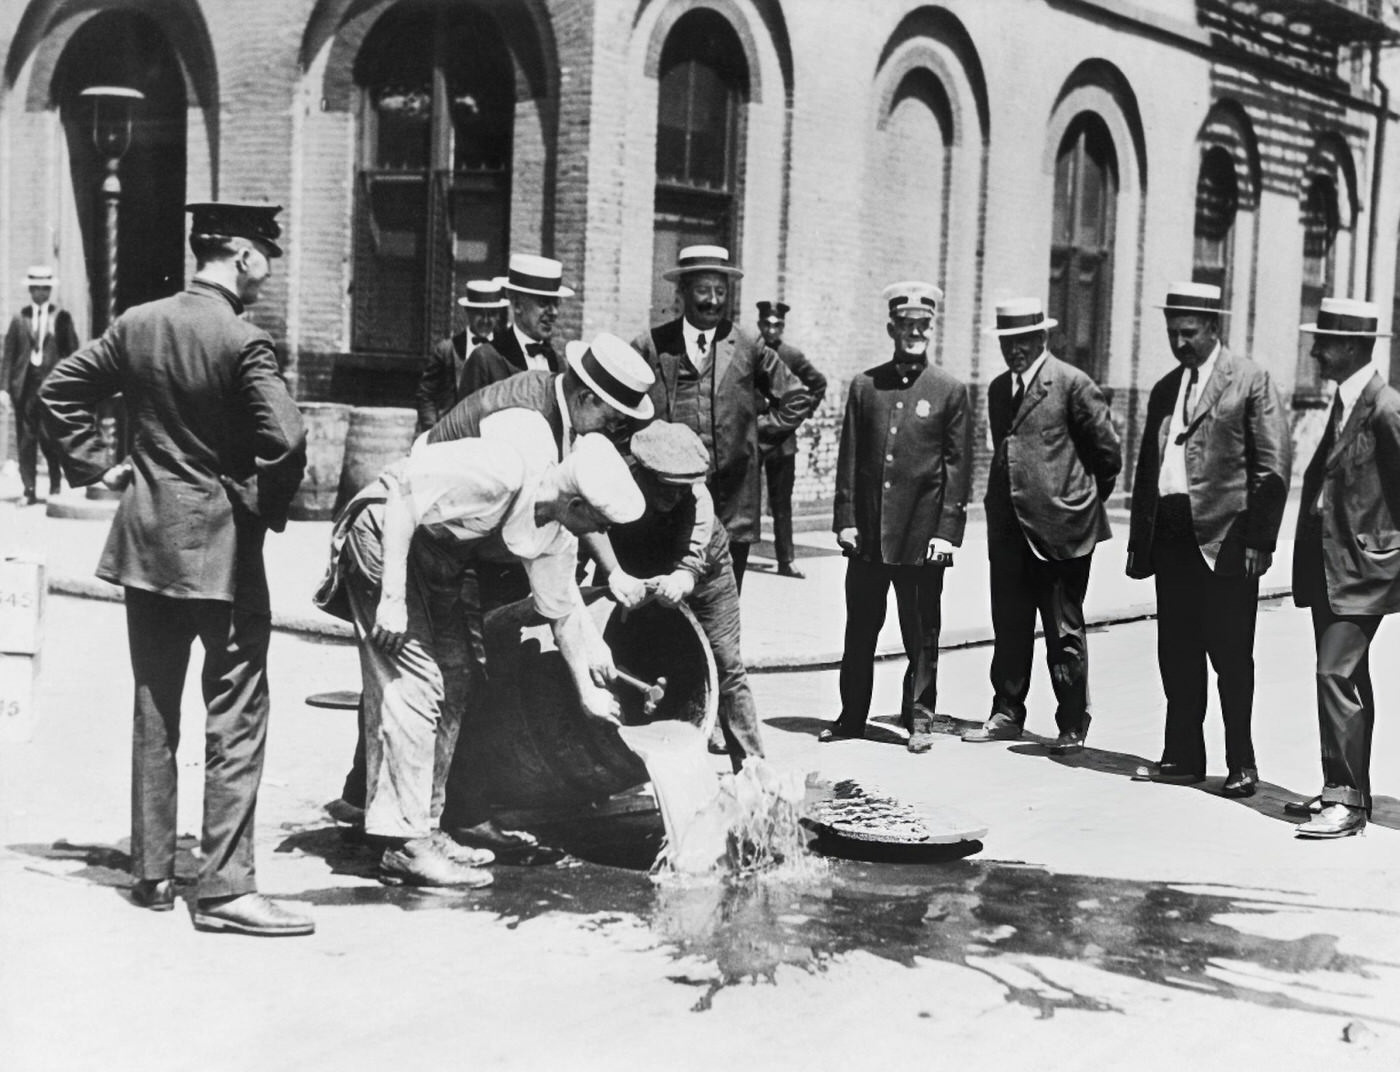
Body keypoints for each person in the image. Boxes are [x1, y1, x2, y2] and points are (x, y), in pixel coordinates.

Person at [39, 203, 312, 936]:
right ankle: (225, 890)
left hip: (146, 546)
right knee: (237, 713)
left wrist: (98, 466)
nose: (267, 273)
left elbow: (57, 391)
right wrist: (259, 507)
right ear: (243, 256)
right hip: (221, 555)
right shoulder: (243, 340)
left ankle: (153, 872)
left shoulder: (138, 323)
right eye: (265, 257)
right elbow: (287, 440)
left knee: (155, 707)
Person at [329, 333, 656, 858]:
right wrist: (391, 596)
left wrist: (589, 690)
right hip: (390, 531)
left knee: (458, 677)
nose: (598, 534)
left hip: (443, 549)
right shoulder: (514, 453)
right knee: (418, 685)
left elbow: (562, 610)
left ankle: (429, 826)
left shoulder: (556, 516)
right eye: (597, 522)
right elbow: (406, 492)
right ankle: (402, 843)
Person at [1126, 281, 1290, 796]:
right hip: (1172, 536)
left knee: (1231, 655)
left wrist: (1260, 540)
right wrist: (1140, 542)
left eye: (1190, 332)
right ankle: (1182, 756)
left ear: (1214, 327)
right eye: (1173, 332)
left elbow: (1272, 466)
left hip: (1226, 538)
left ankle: (1241, 761)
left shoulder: (1249, 380)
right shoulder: (1165, 389)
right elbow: (1147, 468)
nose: (1180, 342)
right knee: (1176, 652)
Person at [963, 298, 1121, 753]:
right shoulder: (999, 390)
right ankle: (1007, 713)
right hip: (1009, 531)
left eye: (1024, 341)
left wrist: (1074, 505)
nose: (1015, 350)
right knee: (1009, 625)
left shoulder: (1072, 384)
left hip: (1061, 533)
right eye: (1007, 342)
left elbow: (1108, 456)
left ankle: (1071, 723)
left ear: (1042, 339)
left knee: (1062, 632)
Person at [820, 281, 971, 753]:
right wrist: (846, 519)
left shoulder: (949, 390)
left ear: (932, 329)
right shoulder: (865, 386)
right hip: (867, 536)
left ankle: (919, 719)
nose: (915, 333)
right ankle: (851, 717)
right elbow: (849, 457)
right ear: (892, 329)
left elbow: (957, 468)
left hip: (920, 537)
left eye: (923, 325)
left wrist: (946, 532)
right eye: (906, 325)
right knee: (860, 631)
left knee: (921, 633)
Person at [632, 246, 813, 590]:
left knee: (723, 603)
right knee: (664, 602)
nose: (713, 301)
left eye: (720, 291)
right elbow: (619, 410)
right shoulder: (652, 345)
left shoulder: (747, 343)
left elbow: (797, 396)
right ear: (682, 291)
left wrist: (753, 438)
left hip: (730, 505)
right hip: (666, 504)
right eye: (703, 290)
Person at [1287, 298, 1400, 839]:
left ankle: (1347, 803)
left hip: (1363, 572)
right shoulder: (1344, 401)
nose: (1314, 352)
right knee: (1347, 677)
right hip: (1332, 568)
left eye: (1324, 343)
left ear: (1353, 348)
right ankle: (1347, 789)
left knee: (1334, 672)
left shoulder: (1385, 408)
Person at [596, 420, 765, 765]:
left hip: (706, 578)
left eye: (681, 490)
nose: (675, 497)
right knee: (629, 656)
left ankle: (752, 767)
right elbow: (589, 535)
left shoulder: (697, 498)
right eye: (667, 489)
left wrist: (681, 582)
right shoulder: (612, 484)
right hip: (639, 576)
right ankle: (638, 757)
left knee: (725, 663)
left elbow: (690, 565)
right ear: (643, 474)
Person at [755, 300, 826, 579]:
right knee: (741, 500)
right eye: (767, 324)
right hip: (753, 436)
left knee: (781, 503)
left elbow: (818, 383)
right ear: (760, 324)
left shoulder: (791, 355)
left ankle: (786, 559)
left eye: (777, 325)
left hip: (782, 440)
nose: (771, 329)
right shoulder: (750, 351)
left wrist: (800, 414)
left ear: (782, 327)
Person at [3, 266, 79, 504]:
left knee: (49, 437)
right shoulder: (20, 318)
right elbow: (9, 355)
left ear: (50, 290)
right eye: (36, 288)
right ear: (30, 290)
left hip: (51, 387)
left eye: (45, 288)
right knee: (26, 439)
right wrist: (4, 389)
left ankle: (55, 483)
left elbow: (72, 352)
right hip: (25, 386)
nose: (41, 292)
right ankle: (29, 490)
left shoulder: (61, 317)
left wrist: (68, 382)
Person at [456, 254, 572, 398]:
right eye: (544, 302)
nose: (554, 312)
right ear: (517, 305)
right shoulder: (485, 360)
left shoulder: (558, 363)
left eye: (556, 303)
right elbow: (465, 412)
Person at [414, 278, 510, 433]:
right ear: (468, 312)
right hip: (452, 433)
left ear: (498, 315)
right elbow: (426, 395)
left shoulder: (506, 351)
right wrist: (432, 430)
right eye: (480, 313)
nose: (486, 320)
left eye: (491, 314)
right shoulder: (446, 350)